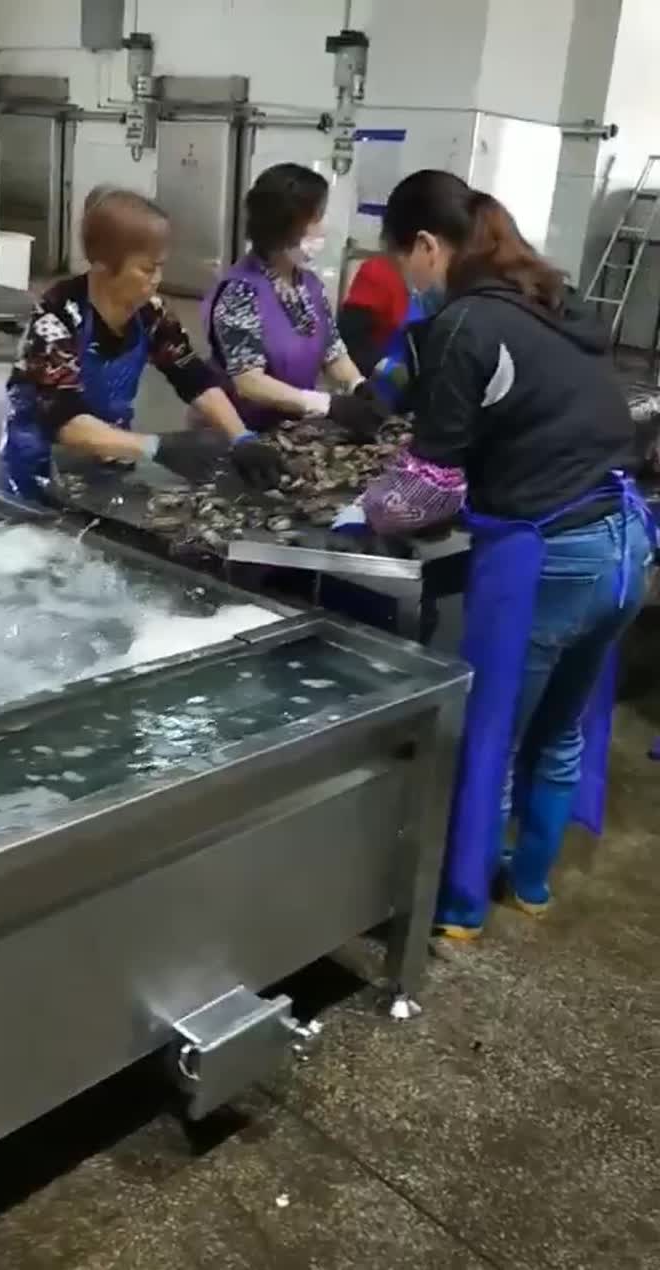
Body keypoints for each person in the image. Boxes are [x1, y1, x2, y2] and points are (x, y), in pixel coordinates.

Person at [354, 169, 655, 938]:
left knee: (495, 731)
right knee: (562, 728)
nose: (408, 283)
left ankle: (458, 909)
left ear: (427, 247)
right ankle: (531, 885)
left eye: (403, 263)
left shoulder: (466, 325)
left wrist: (364, 513)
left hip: (550, 551)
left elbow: (428, 485)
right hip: (626, 544)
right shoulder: (554, 303)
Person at [1, 187, 282, 501]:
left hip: (111, 459)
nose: (157, 279)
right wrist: (156, 447)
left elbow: (191, 375)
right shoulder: (56, 319)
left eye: (160, 266)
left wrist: (241, 437)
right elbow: (65, 421)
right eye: (147, 269)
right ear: (102, 267)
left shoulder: (150, 312)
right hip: (41, 467)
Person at [203, 163, 387, 443]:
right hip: (241, 436)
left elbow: (332, 351)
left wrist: (357, 384)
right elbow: (248, 382)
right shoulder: (241, 291)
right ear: (283, 226)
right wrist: (325, 404)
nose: (322, 229)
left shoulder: (308, 284)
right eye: (314, 220)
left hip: (290, 432)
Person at [338, 250, 429, 406]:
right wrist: (387, 367)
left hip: (410, 395)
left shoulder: (429, 281)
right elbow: (350, 336)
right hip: (376, 392)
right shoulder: (376, 273)